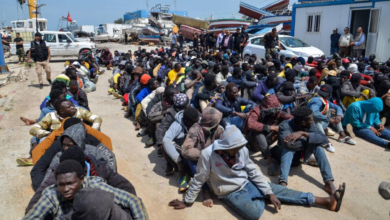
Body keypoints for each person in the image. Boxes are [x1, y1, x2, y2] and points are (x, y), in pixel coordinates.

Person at [169, 125, 346, 220]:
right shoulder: (208, 155)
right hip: (229, 193)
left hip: (248, 183)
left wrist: (268, 192)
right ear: (227, 146)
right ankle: (263, 196)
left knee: (278, 191)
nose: (240, 149)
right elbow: (200, 178)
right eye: (236, 147)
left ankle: (325, 201)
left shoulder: (242, 150)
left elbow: (253, 172)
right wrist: (188, 201)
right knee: (254, 214)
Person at [24, 160, 149, 220]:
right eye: (61, 184)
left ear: (82, 179)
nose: (66, 189)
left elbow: (133, 200)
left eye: (70, 183)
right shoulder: (52, 195)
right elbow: (32, 217)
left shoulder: (95, 186)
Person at [26, 146, 136, 213]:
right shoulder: (61, 174)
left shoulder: (101, 169)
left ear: (83, 172)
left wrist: (124, 211)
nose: (66, 187)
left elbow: (126, 188)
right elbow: (38, 198)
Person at [278, 107, 340, 196]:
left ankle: (328, 182)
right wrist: (311, 139)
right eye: (311, 120)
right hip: (281, 156)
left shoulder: (310, 124)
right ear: (303, 122)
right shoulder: (285, 125)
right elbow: (289, 144)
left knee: (318, 146)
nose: (312, 121)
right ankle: (282, 183)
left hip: (298, 158)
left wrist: (304, 134)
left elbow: (323, 138)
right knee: (288, 149)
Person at [181, 107, 224, 207]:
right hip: (199, 159)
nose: (218, 124)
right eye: (216, 122)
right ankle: (205, 190)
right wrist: (204, 154)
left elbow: (226, 146)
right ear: (211, 122)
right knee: (191, 161)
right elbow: (186, 150)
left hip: (213, 159)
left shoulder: (219, 129)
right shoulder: (195, 129)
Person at [245, 95, 293, 175]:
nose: (274, 114)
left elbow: (290, 118)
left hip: (268, 139)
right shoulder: (256, 111)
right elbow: (251, 124)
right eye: (271, 112)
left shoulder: (277, 111)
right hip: (253, 142)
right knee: (258, 131)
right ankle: (270, 161)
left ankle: (282, 151)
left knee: (284, 125)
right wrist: (272, 128)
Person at [307, 84, 356, 153]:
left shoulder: (323, 99)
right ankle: (324, 140)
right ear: (329, 95)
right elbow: (314, 113)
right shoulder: (317, 100)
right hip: (308, 125)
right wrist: (329, 119)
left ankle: (342, 135)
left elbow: (338, 107)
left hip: (318, 125)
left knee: (333, 110)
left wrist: (339, 116)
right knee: (316, 119)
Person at [162, 107, 200, 192]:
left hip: (195, 147)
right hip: (182, 149)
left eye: (198, 120)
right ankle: (182, 173)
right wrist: (178, 160)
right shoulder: (177, 125)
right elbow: (166, 139)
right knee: (164, 146)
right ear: (186, 121)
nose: (197, 122)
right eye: (195, 121)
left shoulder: (199, 121)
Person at [29, 99, 102, 139]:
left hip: (80, 138)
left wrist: (93, 130)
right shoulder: (51, 116)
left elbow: (96, 118)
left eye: (72, 105)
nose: (73, 107)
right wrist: (49, 134)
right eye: (69, 107)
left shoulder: (80, 111)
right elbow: (34, 129)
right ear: (61, 111)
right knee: (42, 140)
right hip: (58, 140)